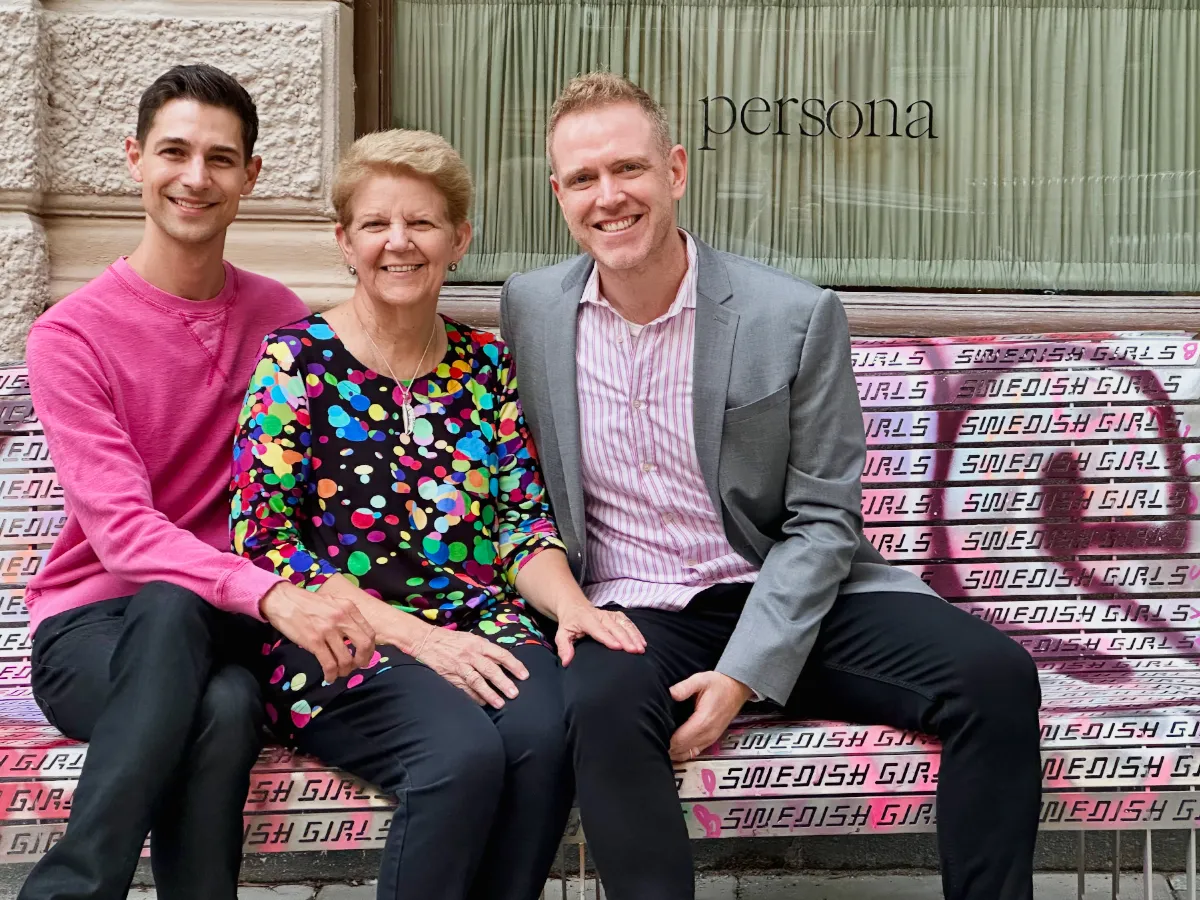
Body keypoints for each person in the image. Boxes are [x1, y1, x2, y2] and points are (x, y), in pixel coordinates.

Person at [499, 72, 1043, 900]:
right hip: (633, 609)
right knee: (598, 708)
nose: (609, 196)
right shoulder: (531, 309)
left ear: (675, 170)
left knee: (995, 677)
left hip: (782, 590)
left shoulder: (790, 314)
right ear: (559, 195)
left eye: (629, 168)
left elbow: (824, 519)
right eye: (583, 178)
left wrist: (743, 675)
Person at [230, 128, 643, 900]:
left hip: (480, 625)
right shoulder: (295, 361)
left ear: (459, 239)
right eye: (376, 224)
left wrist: (573, 608)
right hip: (338, 637)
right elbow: (265, 544)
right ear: (344, 242)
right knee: (457, 757)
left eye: (421, 222)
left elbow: (521, 523)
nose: (399, 242)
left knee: (546, 735)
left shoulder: (486, 365)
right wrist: (417, 639)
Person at [19, 64, 378, 900]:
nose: (195, 176)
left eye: (220, 158)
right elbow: (120, 534)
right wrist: (271, 596)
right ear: (135, 159)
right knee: (203, 667)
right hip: (92, 634)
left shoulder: (280, 319)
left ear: (250, 175)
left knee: (210, 670)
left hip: (228, 623)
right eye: (174, 152)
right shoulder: (70, 335)